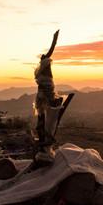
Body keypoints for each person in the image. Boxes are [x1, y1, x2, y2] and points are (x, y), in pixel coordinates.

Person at [33, 30, 64, 165]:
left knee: (44, 125)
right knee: (44, 125)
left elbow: (48, 54)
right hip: (44, 99)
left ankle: (44, 150)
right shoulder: (45, 78)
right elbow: (48, 54)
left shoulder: (42, 76)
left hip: (42, 99)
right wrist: (54, 42)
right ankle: (44, 150)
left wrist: (54, 41)